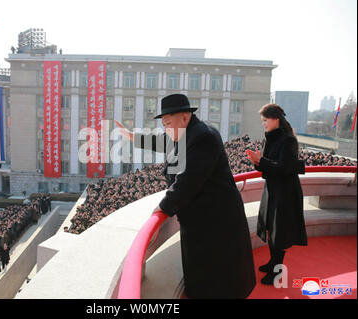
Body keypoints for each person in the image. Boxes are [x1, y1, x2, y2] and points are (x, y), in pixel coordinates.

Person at [115, 93, 256, 298]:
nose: (166, 128)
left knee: (222, 279)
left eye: (168, 122)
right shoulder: (184, 134)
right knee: (202, 274)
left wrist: (163, 207)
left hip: (217, 222)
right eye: (163, 124)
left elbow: (189, 181)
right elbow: (161, 141)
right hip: (201, 220)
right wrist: (132, 137)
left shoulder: (202, 137)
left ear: (185, 116)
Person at [246, 103, 307, 285]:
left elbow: (284, 168)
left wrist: (261, 161)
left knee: (279, 231)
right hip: (272, 189)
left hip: (285, 192)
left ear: (276, 119)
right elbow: (268, 169)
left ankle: (277, 270)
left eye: (265, 120)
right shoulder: (269, 138)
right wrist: (257, 162)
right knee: (270, 229)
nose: (263, 124)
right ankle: (273, 262)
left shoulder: (289, 140)